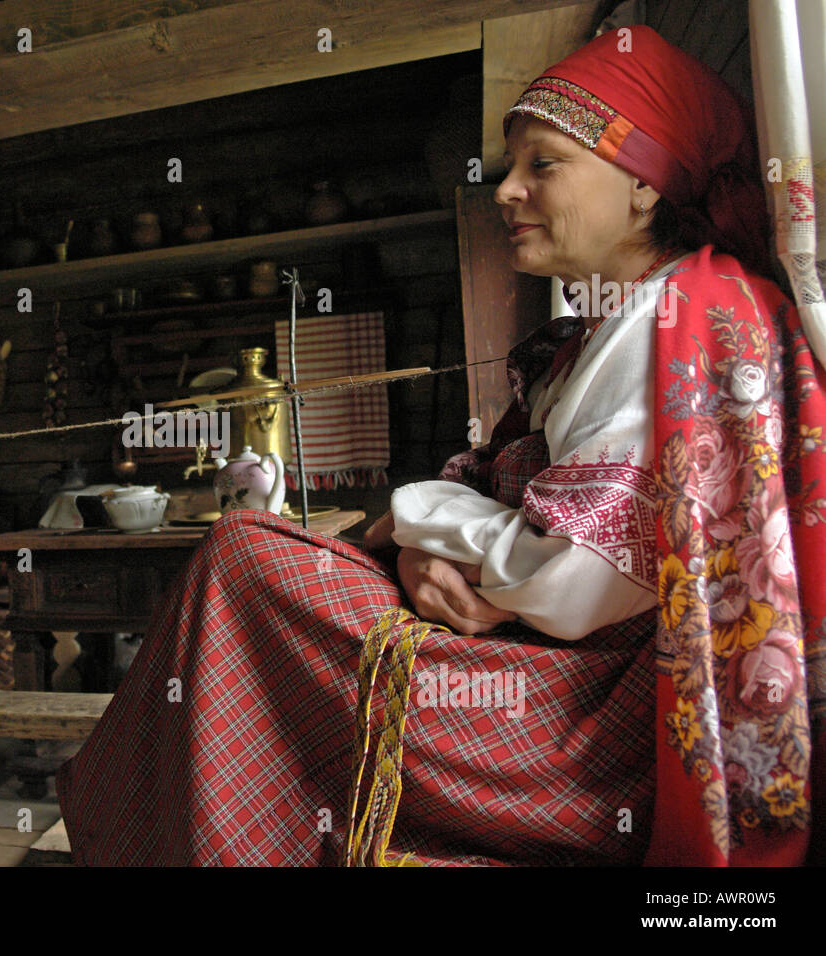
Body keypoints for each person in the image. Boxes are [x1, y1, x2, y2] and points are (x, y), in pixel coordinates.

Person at [57, 26, 825, 866]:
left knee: (247, 567)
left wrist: (413, 520)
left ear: (642, 186)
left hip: (591, 720)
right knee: (253, 559)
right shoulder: (613, 321)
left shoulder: (681, 321)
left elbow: (566, 582)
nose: (507, 191)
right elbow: (505, 504)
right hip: (547, 653)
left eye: (544, 164)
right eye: (510, 168)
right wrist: (427, 552)